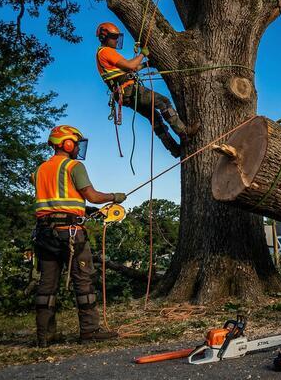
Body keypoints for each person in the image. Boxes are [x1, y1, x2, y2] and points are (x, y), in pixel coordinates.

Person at [32, 125, 127, 347]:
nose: (77, 148)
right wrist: (115, 196)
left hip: (44, 234)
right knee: (83, 281)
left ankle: (45, 336)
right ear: (66, 143)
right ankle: (89, 331)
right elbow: (91, 196)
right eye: (75, 143)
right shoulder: (74, 166)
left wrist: (84, 211)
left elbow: (57, 200)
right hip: (71, 235)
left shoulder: (38, 171)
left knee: (46, 285)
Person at [95, 22, 196, 157]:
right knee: (163, 102)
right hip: (130, 90)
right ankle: (184, 132)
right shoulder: (106, 52)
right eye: (113, 37)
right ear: (104, 37)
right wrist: (142, 54)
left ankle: (174, 149)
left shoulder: (103, 54)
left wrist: (146, 64)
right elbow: (131, 66)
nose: (116, 40)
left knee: (154, 117)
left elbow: (133, 67)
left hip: (125, 95)